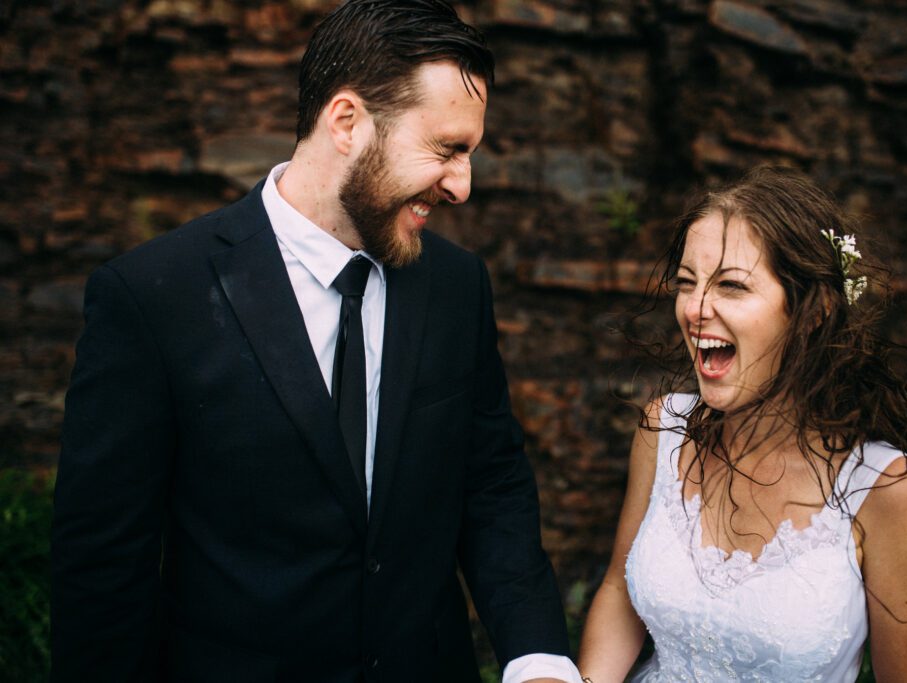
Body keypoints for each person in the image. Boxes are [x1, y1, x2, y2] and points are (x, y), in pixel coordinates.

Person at [51, 2, 581, 681]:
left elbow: (492, 482)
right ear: (347, 122)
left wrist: (537, 656)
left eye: (470, 154)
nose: (462, 184)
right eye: (446, 148)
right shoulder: (154, 294)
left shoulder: (457, 286)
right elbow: (103, 566)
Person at [577, 166, 907, 682]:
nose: (694, 309)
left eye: (732, 286)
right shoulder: (663, 430)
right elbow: (619, 592)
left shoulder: (885, 490)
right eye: (687, 283)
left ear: (816, 309)